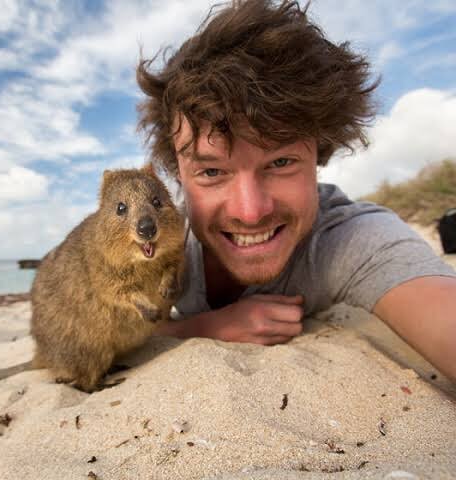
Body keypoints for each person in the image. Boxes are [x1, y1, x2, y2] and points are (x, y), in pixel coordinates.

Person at [136, 0, 456, 381]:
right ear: (178, 173)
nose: (250, 212)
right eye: (211, 171)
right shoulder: (157, 240)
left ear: (319, 154)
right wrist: (201, 327)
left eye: (281, 163)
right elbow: (89, 325)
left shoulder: (349, 239)